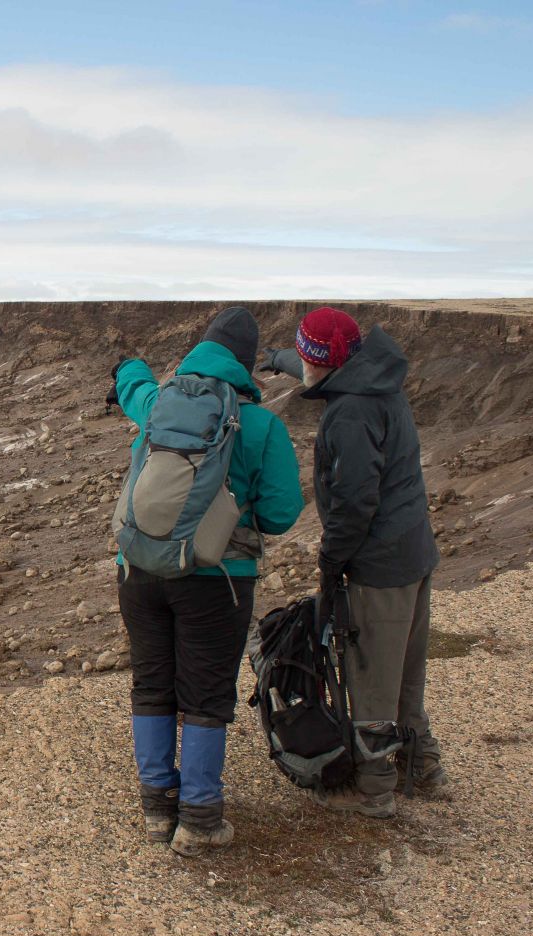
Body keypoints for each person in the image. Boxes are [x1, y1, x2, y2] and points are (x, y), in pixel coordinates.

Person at [111, 307, 305, 856]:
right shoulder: (261, 424)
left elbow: (135, 386)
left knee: (152, 683)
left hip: (140, 571)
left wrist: (126, 365)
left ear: (199, 351)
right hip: (217, 579)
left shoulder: (157, 405)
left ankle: (156, 806)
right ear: (245, 367)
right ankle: (198, 817)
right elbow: (282, 514)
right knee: (204, 694)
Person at [268, 307, 446, 818]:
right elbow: (313, 362)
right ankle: (425, 768)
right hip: (414, 553)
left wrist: (331, 561)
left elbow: (354, 502)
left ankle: (374, 791)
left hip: (379, 567)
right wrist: (277, 358)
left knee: (371, 679)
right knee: (406, 675)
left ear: (322, 360)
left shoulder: (350, 413)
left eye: (304, 354)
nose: (300, 362)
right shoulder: (378, 381)